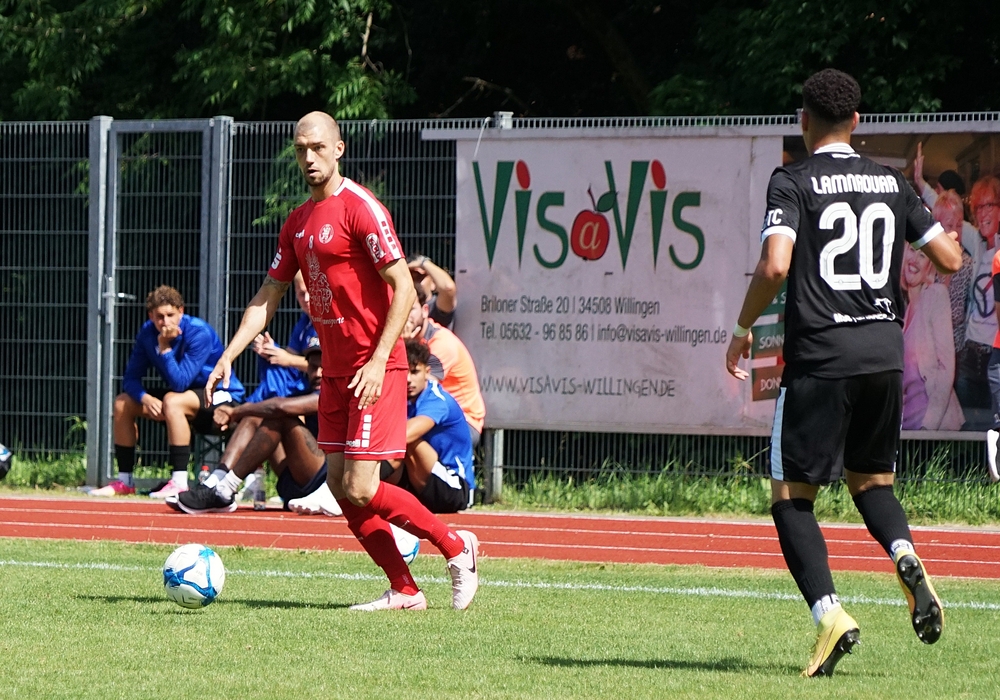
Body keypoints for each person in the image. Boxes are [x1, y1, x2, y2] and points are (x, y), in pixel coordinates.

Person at [725, 69, 960, 677]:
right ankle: (904, 553)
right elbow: (949, 258)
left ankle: (830, 615)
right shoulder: (889, 182)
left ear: (803, 120)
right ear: (856, 121)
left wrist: (743, 327)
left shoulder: (792, 180)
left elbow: (775, 266)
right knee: (873, 483)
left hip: (822, 358)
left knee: (791, 496)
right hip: (883, 354)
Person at [196, 111, 479, 611]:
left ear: (339, 148)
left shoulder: (361, 208)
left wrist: (379, 359)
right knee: (339, 487)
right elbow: (268, 294)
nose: (309, 157)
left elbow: (402, 286)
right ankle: (405, 590)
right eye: (300, 149)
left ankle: (456, 546)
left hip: (375, 369)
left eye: (318, 147)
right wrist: (228, 354)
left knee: (360, 487)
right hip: (335, 373)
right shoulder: (297, 222)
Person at [172, 339, 420, 557]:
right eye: (312, 367)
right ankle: (218, 482)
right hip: (299, 477)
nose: (318, 372)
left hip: (328, 477)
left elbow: (281, 407)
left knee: (277, 415)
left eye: (323, 366)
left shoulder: (341, 391)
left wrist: (234, 411)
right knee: (257, 415)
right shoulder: (303, 390)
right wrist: (244, 412)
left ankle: (226, 489)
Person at [92, 285, 245, 498]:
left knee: (173, 400)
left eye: (170, 315)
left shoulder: (198, 332)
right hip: (182, 398)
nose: (165, 322)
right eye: (159, 317)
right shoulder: (147, 333)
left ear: (181, 311)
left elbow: (181, 382)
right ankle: (125, 481)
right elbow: (130, 379)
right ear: (151, 316)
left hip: (221, 395)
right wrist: (145, 399)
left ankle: (179, 482)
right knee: (123, 402)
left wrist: (164, 347)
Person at [380, 339, 475, 513]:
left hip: (455, 487)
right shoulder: (400, 398)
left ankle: (360, 486)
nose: (408, 379)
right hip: (420, 483)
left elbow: (405, 435)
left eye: (414, 372)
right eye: (403, 372)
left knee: (405, 439)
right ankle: (363, 491)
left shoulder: (437, 399)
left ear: (427, 372)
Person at [404, 283, 486, 448]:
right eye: (400, 310)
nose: (405, 316)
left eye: (410, 309)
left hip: (462, 422)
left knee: (405, 439)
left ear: (425, 311)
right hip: (424, 412)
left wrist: (400, 343)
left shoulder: (442, 344)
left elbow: (420, 386)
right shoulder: (410, 340)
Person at [900, 245, 963, 430]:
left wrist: (928, 428)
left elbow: (946, 369)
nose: (914, 259)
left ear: (930, 265)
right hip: (908, 429)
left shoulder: (936, 295)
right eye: (912, 250)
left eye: (923, 256)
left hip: (934, 429)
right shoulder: (903, 309)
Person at [955, 175, 1000, 429]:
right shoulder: (979, 247)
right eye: (978, 207)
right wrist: (920, 184)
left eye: (988, 205)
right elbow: (950, 219)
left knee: (993, 430)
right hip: (970, 355)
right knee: (968, 431)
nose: (982, 213)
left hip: (995, 356)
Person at [245, 271, 318, 402]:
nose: (306, 299)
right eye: (302, 294)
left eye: (311, 293)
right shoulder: (304, 322)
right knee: (273, 367)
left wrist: (288, 359)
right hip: (304, 385)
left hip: (324, 389)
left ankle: (256, 405)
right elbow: (289, 355)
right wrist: (271, 351)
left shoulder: (331, 322)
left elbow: (330, 366)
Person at [912, 142, 979, 255]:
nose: (936, 193)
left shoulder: (969, 234)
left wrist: (920, 181)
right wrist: (919, 181)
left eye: (938, 189)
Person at [932, 191, 974, 357]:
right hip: (925, 350)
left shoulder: (967, 265)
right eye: (950, 225)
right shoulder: (924, 261)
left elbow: (960, 315)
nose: (956, 232)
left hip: (956, 352)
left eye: (959, 225)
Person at [407, 253, 457, 328]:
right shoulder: (400, 304)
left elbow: (448, 288)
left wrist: (423, 263)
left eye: (420, 277)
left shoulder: (436, 306)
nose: (415, 282)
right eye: (411, 277)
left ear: (433, 283)